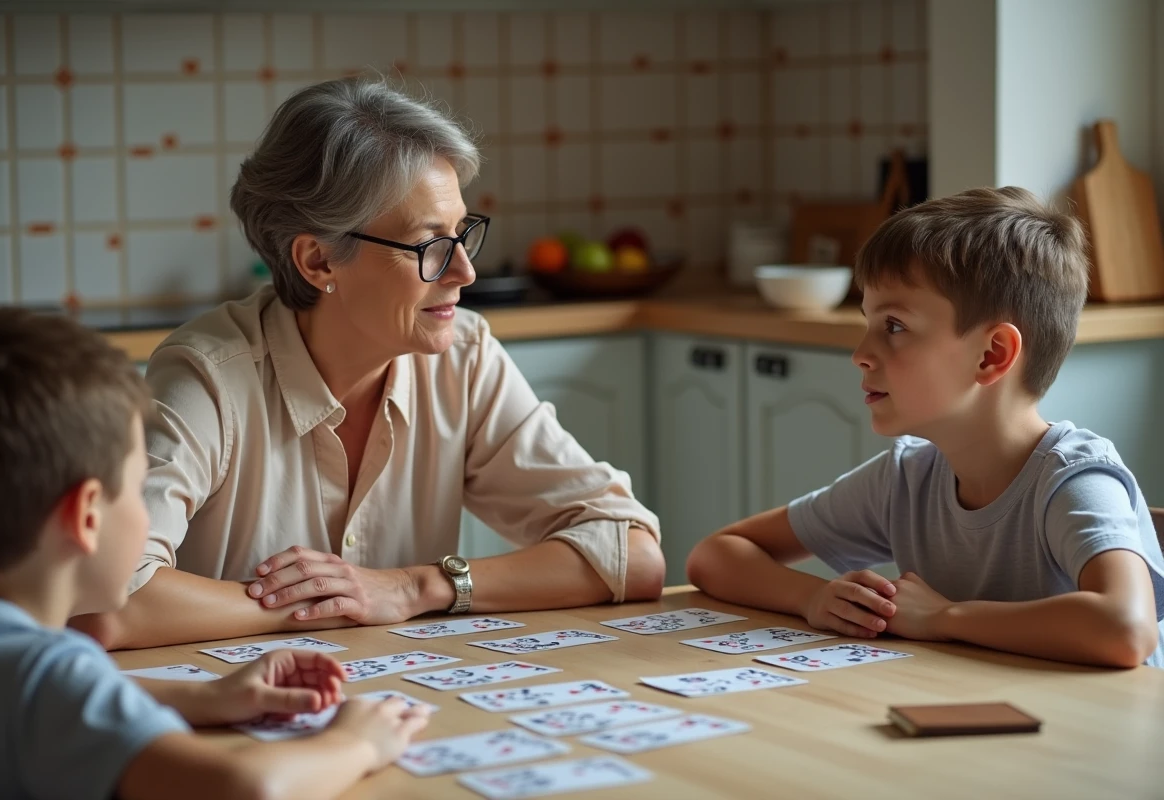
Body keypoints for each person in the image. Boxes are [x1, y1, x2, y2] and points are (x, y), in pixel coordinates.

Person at [72, 78, 664, 651]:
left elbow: (631, 553)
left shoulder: (466, 358)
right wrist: (323, 608)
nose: (465, 272)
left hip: (401, 712)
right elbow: (103, 600)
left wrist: (415, 587)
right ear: (319, 261)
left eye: (462, 233)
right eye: (429, 244)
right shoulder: (208, 377)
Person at [687, 187, 1164, 668]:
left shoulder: (1074, 480)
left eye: (893, 326)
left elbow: (1125, 629)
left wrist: (946, 617)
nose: (860, 354)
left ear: (992, 355)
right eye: (868, 321)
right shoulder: (907, 478)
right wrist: (814, 599)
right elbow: (716, 555)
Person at [0, 307, 430, 799]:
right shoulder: (51, 674)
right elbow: (244, 789)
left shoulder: (1, 659)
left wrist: (207, 696)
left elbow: (47, 703)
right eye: (137, 485)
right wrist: (356, 743)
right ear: (86, 518)